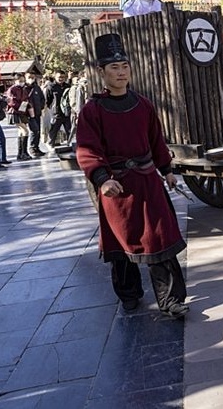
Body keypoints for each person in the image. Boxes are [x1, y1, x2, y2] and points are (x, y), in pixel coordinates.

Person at [75, 33, 189, 319]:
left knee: (160, 239)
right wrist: (102, 179)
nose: (121, 71)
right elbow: (87, 150)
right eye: (114, 67)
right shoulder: (92, 111)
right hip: (117, 187)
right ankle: (129, 294)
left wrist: (167, 171)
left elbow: (156, 141)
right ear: (101, 73)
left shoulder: (143, 105)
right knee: (121, 242)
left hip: (148, 182)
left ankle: (171, 300)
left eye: (124, 65)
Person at [5, 73, 33, 161]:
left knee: (21, 131)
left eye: (23, 81)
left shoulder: (23, 89)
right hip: (15, 112)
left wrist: (27, 105)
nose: (22, 82)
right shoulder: (12, 89)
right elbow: (11, 101)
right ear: (15, 81)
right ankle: (23, 152)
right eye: (20, 81)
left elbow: (26, 98)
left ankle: (21, 153)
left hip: (22, 111)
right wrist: (21, 105)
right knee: (25, 130)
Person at [46, 70, 71, 147]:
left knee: (69, 130)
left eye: (63, 77)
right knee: (54, 130)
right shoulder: (51, 87)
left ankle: (70, 144)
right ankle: (50, 144)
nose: (61, 79)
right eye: (59, 77)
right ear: (55, 77)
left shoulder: (68, 86)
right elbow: (48, 100)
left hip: (67, 112)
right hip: (56, 113)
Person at [25, 72, 46, 157]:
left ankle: (36, 147)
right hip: (29, 114)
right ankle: (32, 148)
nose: (31, 79)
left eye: (33, 77)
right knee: (34, 130)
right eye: (29, 77)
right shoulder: (24, 88)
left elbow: (42, 98)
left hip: (37, 112)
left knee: (38, 131)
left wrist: (41, 106)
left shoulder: (36, 87)